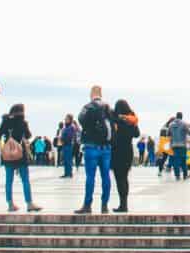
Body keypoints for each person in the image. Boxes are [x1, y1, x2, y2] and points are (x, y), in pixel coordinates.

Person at [0, 103, 40, 213]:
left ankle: (10, 204)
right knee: (25, 179)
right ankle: (29, 203)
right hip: (20, 154)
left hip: (8, 154)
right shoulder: (23, 122)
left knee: (9, 180)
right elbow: (29, 135)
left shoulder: (6, 121)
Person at [75, 85, 114, 214]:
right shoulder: (108, 108)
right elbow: (113, 125)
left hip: (91, 146)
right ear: (101, 94)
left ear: (91, 94)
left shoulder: (88, 107)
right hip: (106, 148)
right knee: (106, 177)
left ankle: (87, 205)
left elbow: (80, 120)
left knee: (90, 177)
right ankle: (104, 205)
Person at [111, 99, 140, 213]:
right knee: (124, 178)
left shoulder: (116, 119)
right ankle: (124, 204)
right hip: (128, 151)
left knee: (119, 179)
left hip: (117, 151)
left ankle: (123, 205)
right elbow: (137, 134)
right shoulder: (131, 120)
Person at [167, 112, 189, 181]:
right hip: (183, 145)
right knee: (183, 160)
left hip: (174, 145)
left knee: (176, 160)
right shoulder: (184, 124)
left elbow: (168, 134)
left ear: (176, 117)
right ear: (181, 117)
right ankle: (185, 175)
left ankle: (177, 175)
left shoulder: (171, 125)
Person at [58, 114, 78, 178]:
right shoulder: (66, 127)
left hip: (68, 145)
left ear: (70, 120)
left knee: (68, 160)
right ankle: (66, 173)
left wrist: (63, 139)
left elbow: (70, 136)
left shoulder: (71, 127)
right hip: (65, 145)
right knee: (65, 160)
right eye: (65, 119)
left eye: (67, 119)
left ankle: (69, 173)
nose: (65, 120)